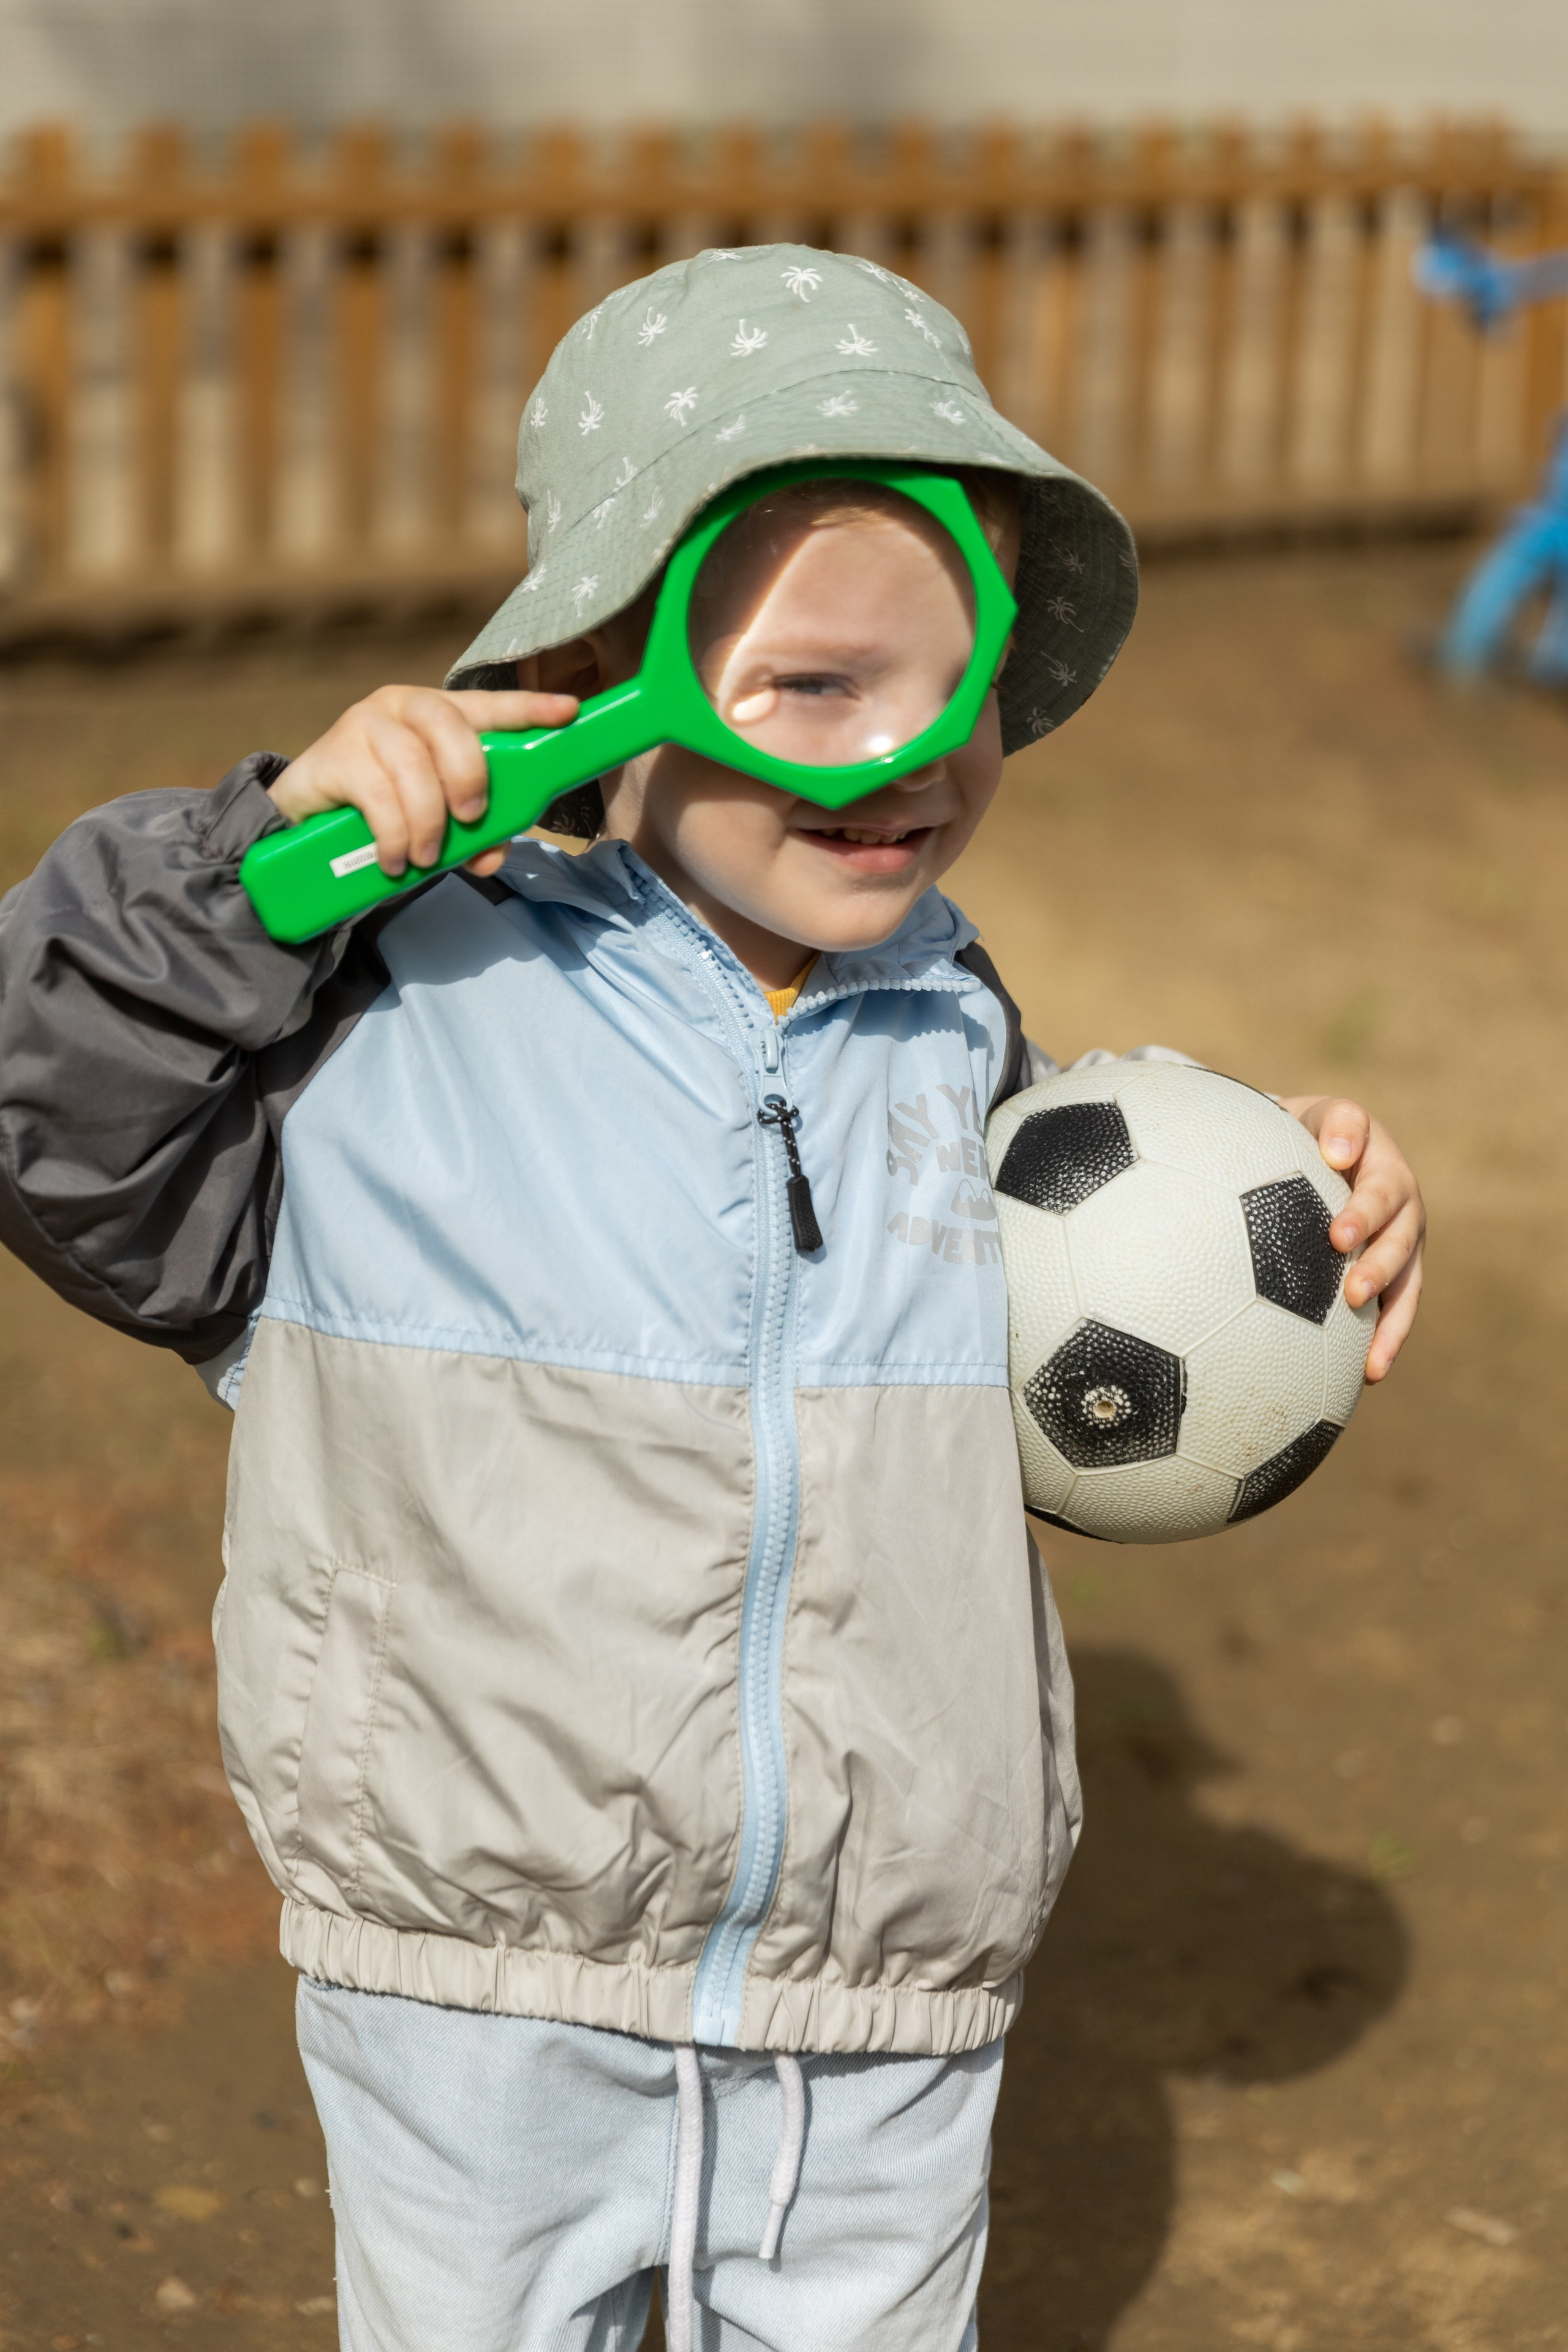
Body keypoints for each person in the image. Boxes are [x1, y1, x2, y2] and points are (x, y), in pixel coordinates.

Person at [0, 247, 1425, 2351]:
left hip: (888, 1995)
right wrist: (240, 869)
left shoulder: (958, 1042)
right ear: (601, 661)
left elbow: (1059, 1347)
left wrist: (1285, 1221)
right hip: (471, 1983)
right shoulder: (389, 1006)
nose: (912, 753)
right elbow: (56, 1107)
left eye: (958, 678)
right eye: (816, 688)